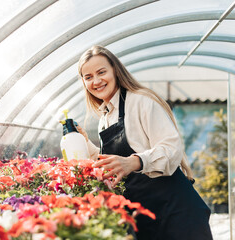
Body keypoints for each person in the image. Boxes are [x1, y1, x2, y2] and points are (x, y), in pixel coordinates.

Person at [76, 45, 213, 240]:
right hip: (145, 216)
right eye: (88, 77)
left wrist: (135, 161)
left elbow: (171, 148)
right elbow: (114, 162)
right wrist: (85, 142)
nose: (96, 81)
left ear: (115, 70)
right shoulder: (105, 117)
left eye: (101, 72)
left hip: (176, 213)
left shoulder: (140, 101)